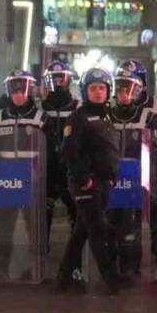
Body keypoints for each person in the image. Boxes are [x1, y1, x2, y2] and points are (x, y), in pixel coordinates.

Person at [56, 67, 123, 295]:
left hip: (103, 182)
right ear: (85, 91)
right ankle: (112, 279)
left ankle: (63, 278)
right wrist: (84, 180)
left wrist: (111, 178)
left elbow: (109, 150)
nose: (98, 92)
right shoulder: (78, 117)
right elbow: (69, 152)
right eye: (93, 88)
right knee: (97, 231)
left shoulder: (107, 116)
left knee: (81, 233)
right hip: (88, 184)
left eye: (102, 88)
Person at [115, 59, 157, 281]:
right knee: (124, 220)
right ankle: (127, 265)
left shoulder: (156, 106)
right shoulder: (114, 107)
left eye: (131, 82)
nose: (125, 88)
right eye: (121, 83)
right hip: (122, 173)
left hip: (152, 174)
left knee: (156, 221)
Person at [0, 70, 46, 280]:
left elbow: (48, 151)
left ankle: (36, 267)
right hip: (6, 178)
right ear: (8, 90)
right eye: (15, 88)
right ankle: (1, 266)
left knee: (34, 226)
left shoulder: (41, 117)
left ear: (30, 90)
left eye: (23, 88)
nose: (19, 93)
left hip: (33, 179)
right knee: (3, 225)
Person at [107, 61, 157, 280]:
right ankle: (112, 266)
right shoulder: (106, 114)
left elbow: (154, 148)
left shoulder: (147, 117)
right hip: (111, 179)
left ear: (138, 91)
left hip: (137, 180)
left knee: (135, 224)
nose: (124, 94)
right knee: (111, 222)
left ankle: (132, 266)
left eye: (129, 90)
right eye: (120, 89)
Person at [40, 60, 79, 258]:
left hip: (70, 167)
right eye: (53, 78)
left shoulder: (78, 107)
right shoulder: (39, 108)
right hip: (46, 168)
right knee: (41, 213)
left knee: (76, 210)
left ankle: (75, 257)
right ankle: (39, 256)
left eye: (60, 78)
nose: (57, 82)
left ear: (68, 80)